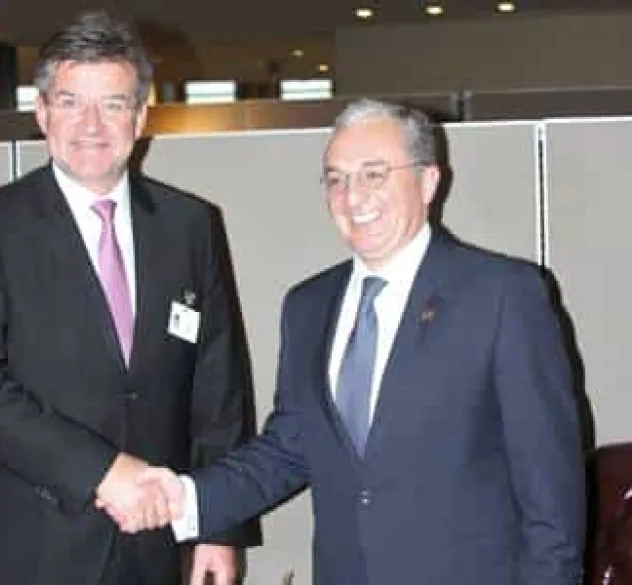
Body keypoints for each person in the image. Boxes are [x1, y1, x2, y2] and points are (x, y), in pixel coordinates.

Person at [111, 98, 586, 585]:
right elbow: (289, 448)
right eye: (336, 179)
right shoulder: (308, 307)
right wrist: (184, 499)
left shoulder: (502, 295)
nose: (353, 196)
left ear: (428, 182)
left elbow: (551, 489)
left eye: (374, 174)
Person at [0, 10, 260, 585]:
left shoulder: (190, 225)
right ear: (42, 112)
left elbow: (219, 392)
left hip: (152, 545)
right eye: (70, 102)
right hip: (26, 547)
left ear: (140, 116)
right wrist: (102, 472)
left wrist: (218, 526)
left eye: (112, 104)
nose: (91, 124)